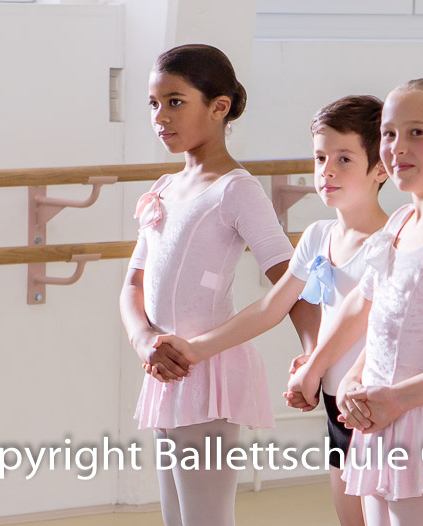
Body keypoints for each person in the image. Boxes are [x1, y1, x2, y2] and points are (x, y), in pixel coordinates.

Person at [155, 95, 389, 526]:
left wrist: (314, 366)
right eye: (320, 157)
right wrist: (195, 349)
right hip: (336, 405)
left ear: (381, 168)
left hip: (378, 401)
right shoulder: (318, 236)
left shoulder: (393, 240)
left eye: (344, 159)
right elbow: (270, 307)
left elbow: (381, 327)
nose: (327, 171)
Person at [119, 44, 317, 526]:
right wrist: (145, 341)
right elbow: (132, 285)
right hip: (164, 368)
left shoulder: (236, 189)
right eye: (153, 103)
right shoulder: (165, 188)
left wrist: (316, 358)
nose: (160, 116)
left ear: (219, 106)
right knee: (176, 518)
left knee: (206, 518)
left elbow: (291, 280)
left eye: (175, 101)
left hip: (207, 373)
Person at [288, 78, 423, 526]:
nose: (397, 146)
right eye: (390, 133)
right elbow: (368, 308)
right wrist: (353, 378)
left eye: (417, 132)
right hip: (377, 418)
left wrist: (396, 400)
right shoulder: (399, 222)